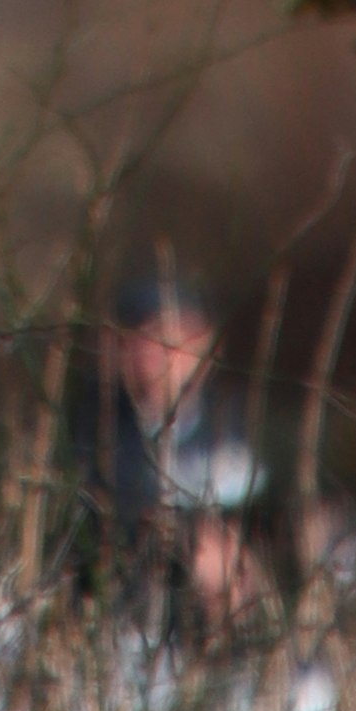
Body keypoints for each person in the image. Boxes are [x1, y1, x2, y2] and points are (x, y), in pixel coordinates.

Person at [89, 259, 276, 633]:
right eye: (148, 340)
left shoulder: (244, 423)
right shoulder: (95, 434)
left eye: (178, 337)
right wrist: (188, 543)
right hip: (138, 628)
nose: (164, 356)